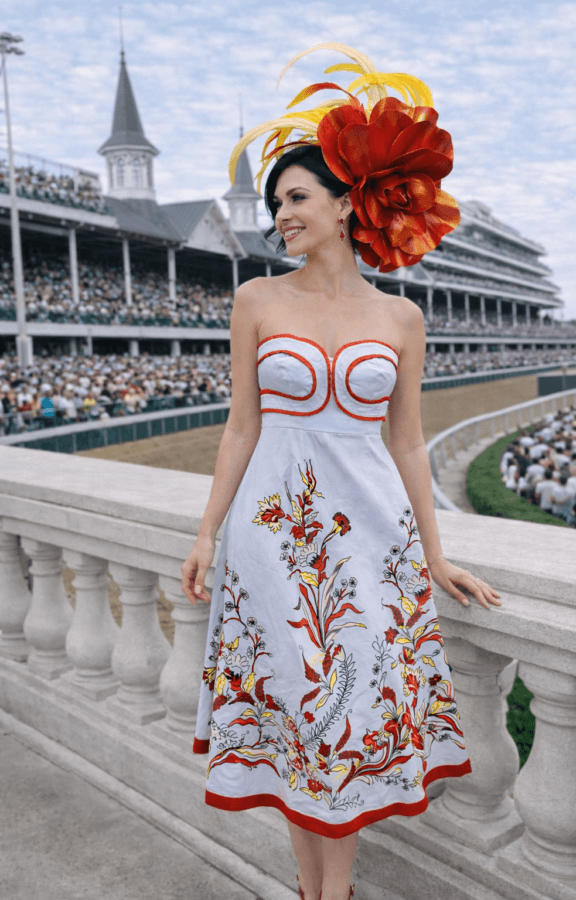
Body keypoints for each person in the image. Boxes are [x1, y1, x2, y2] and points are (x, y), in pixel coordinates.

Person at [180, 44, 501, 900]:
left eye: (295, 198)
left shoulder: (403, 315)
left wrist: (434, 557)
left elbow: (406, 443)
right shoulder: (256, 298)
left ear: (341, 203)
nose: (280, 214)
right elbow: (241, 428)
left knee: (349, 717)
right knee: (294, 708)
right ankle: (312, 888)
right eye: (275, 203)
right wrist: (208, 533)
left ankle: (336, 893)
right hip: (271, 541)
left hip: (373, 547)